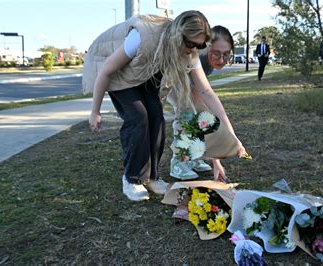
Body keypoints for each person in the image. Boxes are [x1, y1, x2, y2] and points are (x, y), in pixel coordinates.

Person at [82, 11, 247, 201]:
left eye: (200, 46)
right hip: (117, 73)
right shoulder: (143, 37)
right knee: (138, 117)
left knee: (157, 118)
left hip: (143, 72)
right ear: (178, 36)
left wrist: (232, 137)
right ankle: (132, 179)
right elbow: (106, 71)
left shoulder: (189, 51)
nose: (193, 50)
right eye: (191, 44)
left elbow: (207, 92)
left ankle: (152, 177)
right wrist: (95, 111)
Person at [168, 25, 234, 181]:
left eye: (227, 54)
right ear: (207, 47)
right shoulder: (198, 58)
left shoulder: (208, 62)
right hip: (169, 84)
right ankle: (178, 163)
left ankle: (193, 158)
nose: (221, 60)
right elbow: (200, 103)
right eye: (216, 54)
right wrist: (216, 161)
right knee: (187, 117)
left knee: (198, 117)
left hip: (186, 86)